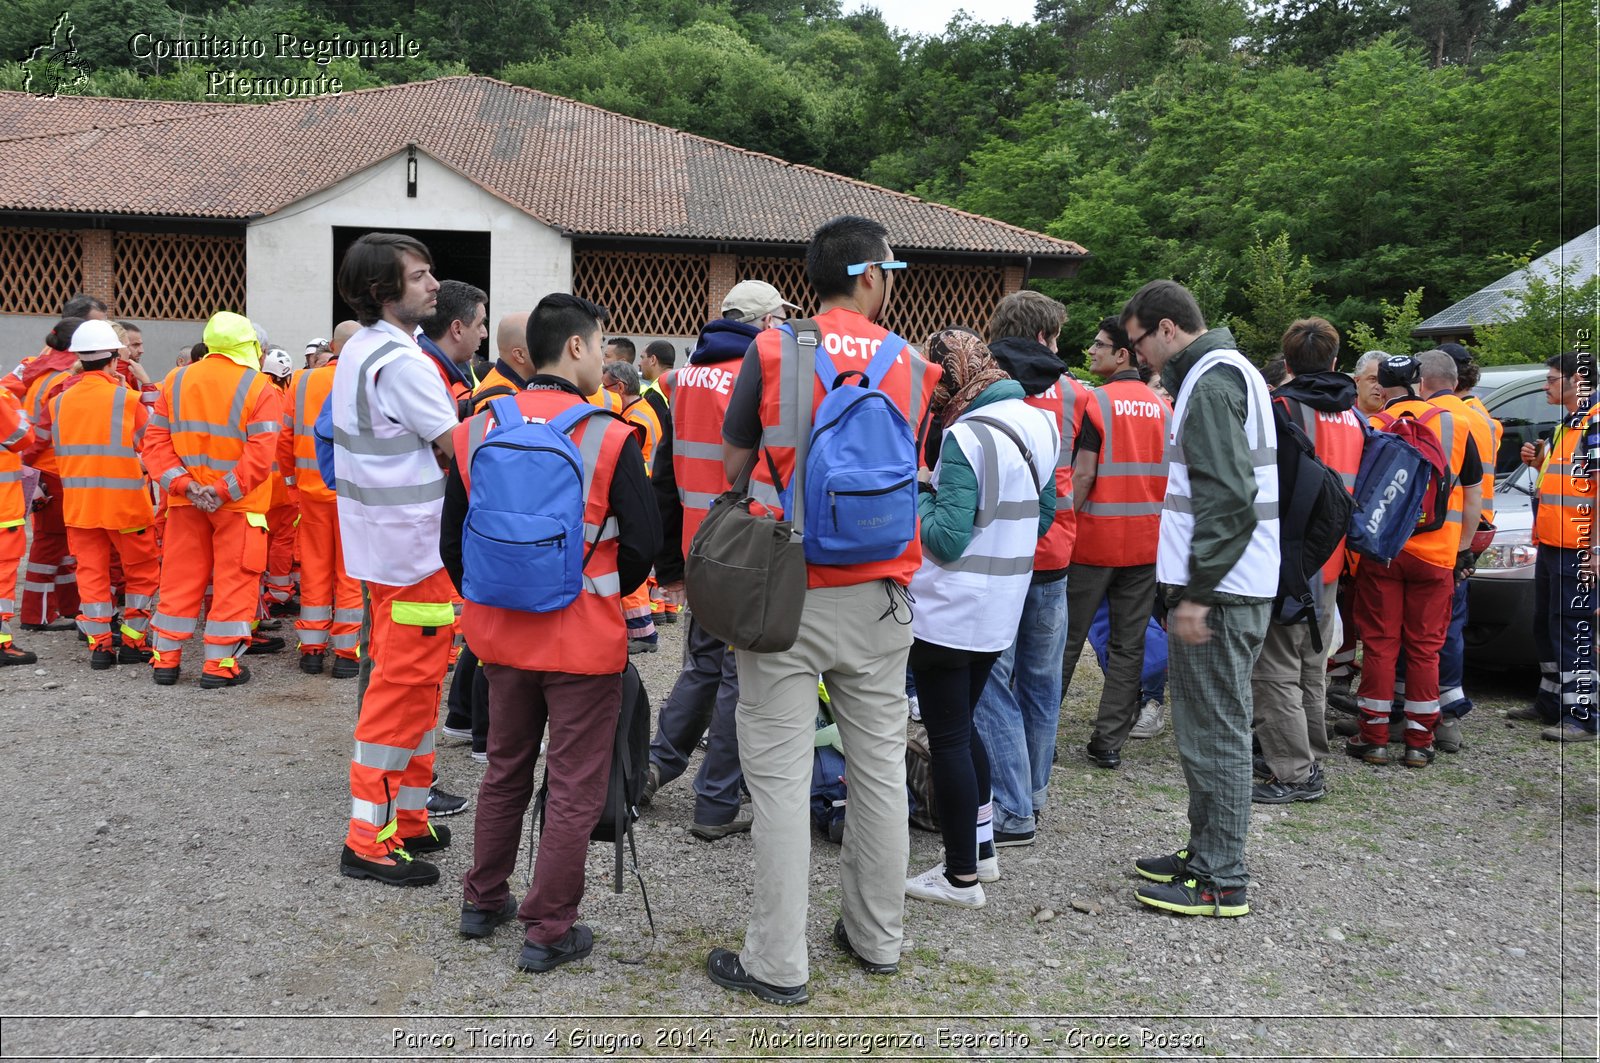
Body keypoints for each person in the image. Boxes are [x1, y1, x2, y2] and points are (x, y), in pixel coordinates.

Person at [708, 215, 940, 1004]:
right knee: (878, 769)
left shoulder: (772, 349)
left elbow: (737, 461)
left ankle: (778, 961)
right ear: (872, 275)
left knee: (778, 777)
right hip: (881, 596)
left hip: (786, 590)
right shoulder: (913, 364)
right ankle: (877, 937)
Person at [443, 292, 661, 970]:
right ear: (574, 347)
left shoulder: (475, 428)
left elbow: (454, 544)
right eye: (600, 344)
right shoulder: (610, 433)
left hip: (499, 641)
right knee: (571, 783)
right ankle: (548, 929)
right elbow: (644, 546)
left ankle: (483, 899)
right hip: (583, 643)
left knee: (503, 767)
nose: (604, 356)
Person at [1121, 279, 1278, 919]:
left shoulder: (1211, 382)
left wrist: (1197, 593)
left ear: (1165, 328)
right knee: (1213, 727)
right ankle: (1206, 853)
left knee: (1215, 732)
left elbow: (1227, 502)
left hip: (1224, 592)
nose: (1139, 360)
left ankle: (1219, 879)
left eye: (1138, 345)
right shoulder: (1226, 372)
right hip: (1235, 586)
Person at [641, 279, 799, 838]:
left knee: (702, 665)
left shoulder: (678, 380)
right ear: (760, 324)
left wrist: (671, 565)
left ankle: (654, 765)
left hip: (697, 546)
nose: (780, 328)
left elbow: (663, 474)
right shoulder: (769, 374)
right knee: (739, 679)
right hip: (748, 549)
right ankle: (715, 803)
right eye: (778, 319)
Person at [905, 329, 1057, 908]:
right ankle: (983, 850)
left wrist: (917, 494)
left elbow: (944, 538)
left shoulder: (964, 436)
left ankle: (959, 876)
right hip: (1003, 603)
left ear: (952, 376)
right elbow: (1043, 516)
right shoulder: (1038, 421)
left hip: (949, 609)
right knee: (963, 727)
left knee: (947, 738)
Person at [329, 233, 461, 887]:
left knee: (412, 687)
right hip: (415, 550)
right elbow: (457, 446)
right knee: (402, 693)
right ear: (385, 292)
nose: (434, 283)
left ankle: (405, 819)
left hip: (384, 548)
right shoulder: (404, 362)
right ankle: (369, 837)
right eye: (419, 275)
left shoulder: (360, 348)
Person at [970, 291, 1086, 847]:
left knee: (991, 681)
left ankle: (1012, 805)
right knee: (1042, 684)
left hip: (997, 553)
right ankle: (1033, 796)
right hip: (1054, 553)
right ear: (1044, 335)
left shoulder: (977, 382)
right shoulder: (1075, 394)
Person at [1347, 352, 1483, 767]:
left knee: (1380, 644)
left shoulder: (1370, 426)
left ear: (1382, 386)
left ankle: (1373, 737)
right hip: (1437, 554)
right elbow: (1474, 493)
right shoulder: (1455, 423)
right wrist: (1462, 549)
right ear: (1420, 382)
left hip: (1382, 553)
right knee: (1426, 649)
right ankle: (1420, 743)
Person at [1249, 318, 1364, 803]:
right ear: (1336, 362)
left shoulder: (1282, 408)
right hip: (1332, 559)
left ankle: (1293, 767)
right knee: (1313, 659)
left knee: (1273, 666)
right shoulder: (1355, 415)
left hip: (1288, 558)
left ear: (1287, 363)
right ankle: (1309, 746)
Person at [141, 312, 284, 688]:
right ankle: (219, 666)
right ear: (250, 346)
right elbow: (259, 456)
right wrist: (221, 491)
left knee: (178, 579)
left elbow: (154, 446)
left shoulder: (175, 380)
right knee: (235, 581)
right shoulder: (259, 387)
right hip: (238, 506)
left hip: (186, 503)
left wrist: (187, 487)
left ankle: (165, 661)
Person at [1062, 317, 1171, 766]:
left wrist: (1066, 524)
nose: (1091, 351)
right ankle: (1108, 743)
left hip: (1093, 542)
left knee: (1065, 641)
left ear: (1122, 354)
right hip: (1145, 544)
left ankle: (1038, 729)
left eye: (1099, 344)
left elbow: (1084, 473)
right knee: (1129, 644)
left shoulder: (1094, 403)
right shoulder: (1164, 408)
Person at [441, 310, 536, 762]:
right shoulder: (499, 399)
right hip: (491, 530)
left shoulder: (498, 389)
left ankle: (460, 717)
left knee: (483, 637)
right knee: (491, 642)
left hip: (483, 527)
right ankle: (483, 733)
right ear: (520, 353)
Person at [39, 320, 160, 670]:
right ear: (112, 360)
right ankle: (135, 643)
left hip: (80, 507)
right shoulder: (128, 400)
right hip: (126, 508)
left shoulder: (59, 403)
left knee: (91, 577)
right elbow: (150, 447)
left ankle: (100, 647)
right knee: (140, 574)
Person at [1512, 352, 1597, 742]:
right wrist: (1538, 462)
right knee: (1546, 625)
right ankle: (1550, 702)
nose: (1545, 385)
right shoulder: (1570, 424)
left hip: (1575, 547)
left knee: (1571, 628)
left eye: (1550, 379)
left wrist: (1595, 552)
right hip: (1552, 543)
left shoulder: (1594, 422)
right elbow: (1563, 483)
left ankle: (1583, 716)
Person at [1425, 342, 1502, 750]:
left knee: (1429, 630)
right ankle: (1446, 711)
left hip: (1443, 538)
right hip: (1468, 536)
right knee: (1447, 628)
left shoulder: (1445, 419)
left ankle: (1428, 713)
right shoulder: (1485, 419)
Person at [289, 333, 361, 679]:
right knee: (349, 572)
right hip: (350, 492)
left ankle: (312, 649)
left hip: (310, 490)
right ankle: (347, 653)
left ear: (332, 349)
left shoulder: (301, 381)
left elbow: (283, 436)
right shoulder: (364, 379)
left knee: (314, 569)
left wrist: (292, 482)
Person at [12, 318, 85, 631]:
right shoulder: (65, 376)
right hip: (55, 469)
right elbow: (42, 432)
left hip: (44, 467)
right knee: (51, 543)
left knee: (62, 544)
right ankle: (36, 615)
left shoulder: (41, 370)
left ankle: (68, 607)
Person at [603, 360, 665, 656]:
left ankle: (642, 631)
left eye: (605, 388)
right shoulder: (641, 411)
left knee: (628, 561)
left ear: (620, 387)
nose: (602, 394)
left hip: (639, 492)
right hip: (647, 491)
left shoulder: (633, 419)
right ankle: (644, 628)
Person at [259, 348, 301, 620]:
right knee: (283, 540)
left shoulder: (257, 392)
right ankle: (279, 591)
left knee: (267, 538)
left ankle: (268, 586)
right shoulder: (282, 397)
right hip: (281, 484)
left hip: (261, 485)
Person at [0, 368, 37, 664]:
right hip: (2, 509)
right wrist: (14, 402)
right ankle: (1, 644)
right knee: (2, 576)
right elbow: (23, 437)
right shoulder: (3, 399)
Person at [418, 280, 488, 417]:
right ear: (457, 329)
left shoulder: (429, 369)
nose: (484, 334)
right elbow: (452, 438)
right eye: (480, 324)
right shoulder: (426, 378)